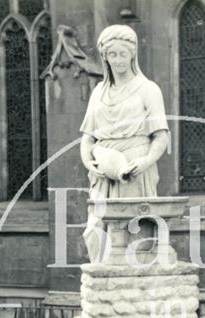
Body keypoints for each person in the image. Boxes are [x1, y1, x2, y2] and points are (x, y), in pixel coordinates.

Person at [80, 24, 169, 198]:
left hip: (135, 166)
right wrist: (88, 162)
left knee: (132, 222)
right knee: (98, 223)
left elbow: (161, 136)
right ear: (105, 57)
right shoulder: (98, 92)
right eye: (112, 54)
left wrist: (146, 162)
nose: (118, 60)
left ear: (132, 55)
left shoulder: (148, 89)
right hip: (104, 167)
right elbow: (88, 137)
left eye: (123, 54)